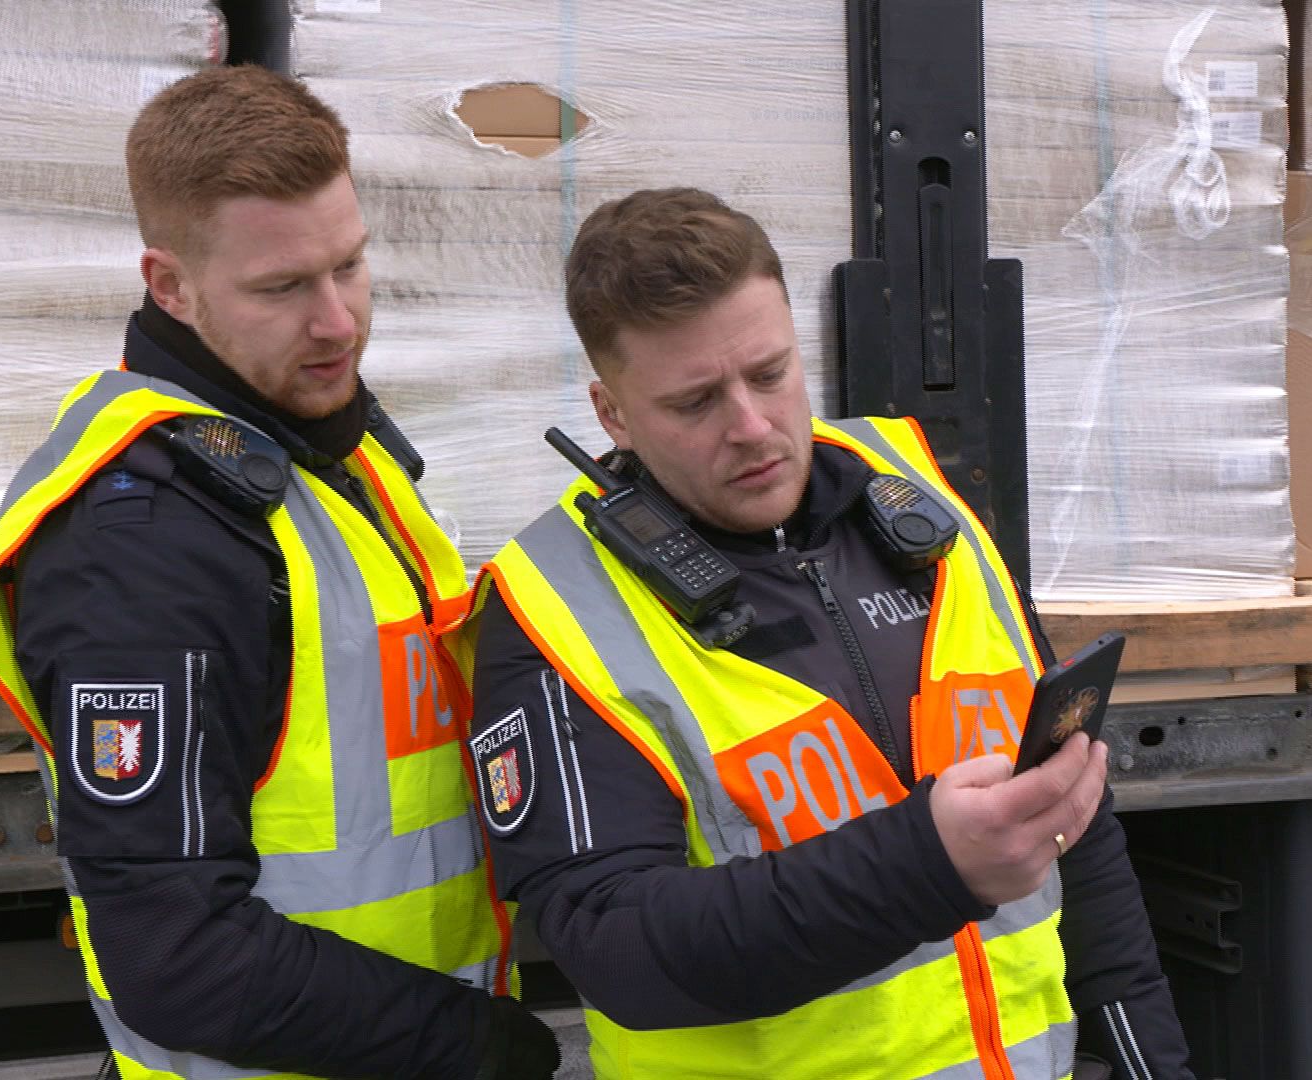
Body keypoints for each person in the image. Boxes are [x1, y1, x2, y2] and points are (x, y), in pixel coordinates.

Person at [456, 187, 1192, 1079]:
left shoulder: (916, 496)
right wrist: (927, 863)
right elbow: (618, 950)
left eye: (769, 373)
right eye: (695, 402)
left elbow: (1080, 841)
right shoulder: (553, 608)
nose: (752, 426)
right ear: (611, 413)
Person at [0, 65, 558, 1080]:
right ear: (171, 285)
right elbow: (177, 956)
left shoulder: (327, 451)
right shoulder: (146, 545)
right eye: (284, 287)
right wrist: (478, 1048)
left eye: (350, 265)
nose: (338, 321)